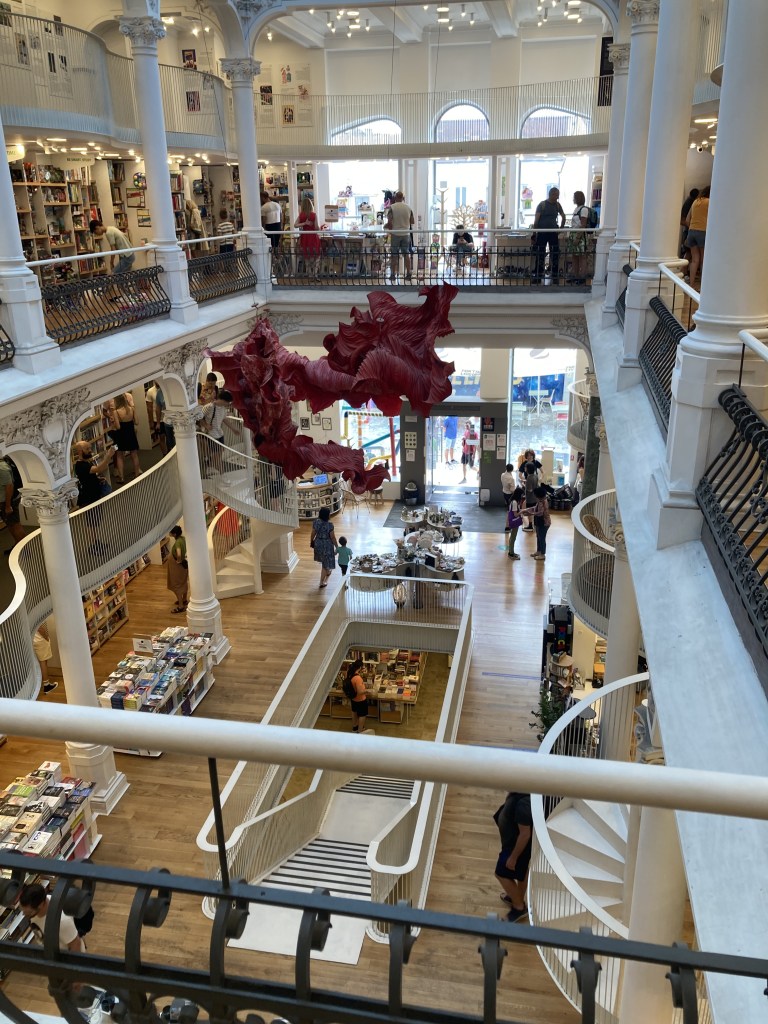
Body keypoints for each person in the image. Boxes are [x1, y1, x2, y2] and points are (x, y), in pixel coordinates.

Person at [493, 792, 533, 920]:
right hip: (513, 842)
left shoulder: (524, 805)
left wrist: (513, 857)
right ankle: (517, 897)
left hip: (516, 847)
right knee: (522, 872)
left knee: (500, 873)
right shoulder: (520, 794)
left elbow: (525, 835)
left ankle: (518, 907)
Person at [19, 882, 85, 952]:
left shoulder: (62, 921)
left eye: (29, 912)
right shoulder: (36, 902)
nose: (24, 914)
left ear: (40, 905)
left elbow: (76, 944)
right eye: (22, 910)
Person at [105, 393, 141, 483]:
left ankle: (121, 477)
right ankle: (137, 474)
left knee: (119, 455)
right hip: (131, 433)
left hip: (120, 435)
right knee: (134, 454)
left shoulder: (116, 412)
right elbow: (137, 422)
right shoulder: (132, 409)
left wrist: (114, 423)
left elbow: (118, 427)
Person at [532, 186, 565, 284]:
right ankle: (538, 275)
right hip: (542, 233)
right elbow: (536, 221)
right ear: (551, 194)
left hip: (553, 233)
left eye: (558, 195)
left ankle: (554, 275)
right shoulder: (542, 205)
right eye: (556, 195)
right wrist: (534, 234)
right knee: (540, 254)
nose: (557, 197)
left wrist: (561, 228)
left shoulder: (557, 205)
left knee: (554, 254)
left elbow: (563, 216)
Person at [73, 440, 115, 508]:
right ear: (80, 451)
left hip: (93, 496)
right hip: (89, 499)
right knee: (94, 514)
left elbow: (87, 477)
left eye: (90, 448)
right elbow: (98, 469)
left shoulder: (86, 462)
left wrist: (97, 479)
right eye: (87, 449)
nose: (90, 450)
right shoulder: (81, 465)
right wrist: (108, 456)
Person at [386, 190, 414, 282]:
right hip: (406, 234)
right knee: (406, 254)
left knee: (394, 255)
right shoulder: (408, 207)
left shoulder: (392, 207)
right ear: (403, 198)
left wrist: (390, 229)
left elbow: (389, 221)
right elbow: (412, 221)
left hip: (396, 233)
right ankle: (408, 274)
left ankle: (393, 275)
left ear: (395, 198)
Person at [684, 185, 710, 286]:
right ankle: (703, 286)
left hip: (691, 231)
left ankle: (691, 284)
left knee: (695, 260)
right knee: (703, 260)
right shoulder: (710, 202)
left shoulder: (695, 201)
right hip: (703, 231)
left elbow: (687, 220)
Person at [0, 455, 25, 547]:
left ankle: (24, 549)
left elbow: (9, 486)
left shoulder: (2, 468)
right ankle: (17, 545)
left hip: (8, 501)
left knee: (15, 525)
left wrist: (8, 506)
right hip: (6, 501)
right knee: (10, 524)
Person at [566, 191, 590, 284]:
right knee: (574, 256)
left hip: (580, 235)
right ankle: (575, 275)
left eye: (574, 197)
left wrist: (577, 238)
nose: (573, 199)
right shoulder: (577, 209)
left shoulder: (584, 210)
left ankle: (582, 277)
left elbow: (583, 225)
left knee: (582, 257)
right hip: (573, 234)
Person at [295, 196, 321, 278]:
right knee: (317, 255)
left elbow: (295, 225)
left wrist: (304, 223)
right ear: (311, 205)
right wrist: (318, 227)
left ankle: (309, 273)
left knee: (307, 255)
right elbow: (317, 228)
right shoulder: (314, 215)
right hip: (313, 236)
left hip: (305, 237)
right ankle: (315, 273)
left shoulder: (301, 215)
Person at [311, 505, 336, 588]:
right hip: (327, 545)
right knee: (325, 563)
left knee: (323, 559)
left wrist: (312, 541)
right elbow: (332, 537)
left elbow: (313, 533)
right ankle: (321, 582)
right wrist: (337, 546)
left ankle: (328, 571)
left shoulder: (316, 522)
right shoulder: (330, 525)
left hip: (318, 543)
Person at [167, 525, 189, 613]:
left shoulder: (177, 543)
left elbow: (179, 553)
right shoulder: (183, 539)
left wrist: (178, 560)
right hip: (183, 565)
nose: (169, 533)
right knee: (183, 582)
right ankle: (184, 600)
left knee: (177, 584)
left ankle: (180, 606)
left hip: (177, 566)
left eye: (171, 532)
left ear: (174, 534)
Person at [526, 485, 551, 560]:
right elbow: (535, 508)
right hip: (539, 522)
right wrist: (528, 509)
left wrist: (530, 513)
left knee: (542, 538)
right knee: (538, 537)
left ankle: (542, 554)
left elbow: (540, 513)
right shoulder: (541, 501)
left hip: (544, 522)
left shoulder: (543, 502)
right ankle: (538, 551)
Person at [518, 449, 541, 531]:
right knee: (531, 509)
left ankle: (530, 526)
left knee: (530, 511)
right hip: (535, 497)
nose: (529, 457)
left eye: (525, 467)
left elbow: (529, 489)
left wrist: (524, 484)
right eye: (528, 455)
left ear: (527, 469)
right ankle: (531, 522)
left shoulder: (529, 478)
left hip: (531, 497)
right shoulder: (535, 476)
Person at [33, 625, 58, 694]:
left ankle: (40, 683)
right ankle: (47, 686)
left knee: (40, 662)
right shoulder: (34, 617)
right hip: (39, 639)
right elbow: (40, 628)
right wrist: (46, 637)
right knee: (43, 662)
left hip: (33, 640)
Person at [345, 658, 368, 733]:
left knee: (354, 712)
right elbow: (360, 692)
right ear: (360, 667)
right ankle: (360, 731)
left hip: (353, 698)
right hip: (360, 699)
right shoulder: (358, 678)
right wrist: (368, 691)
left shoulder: (349, 674)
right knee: (362, 715)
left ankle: (355, 727)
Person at [505, 486, 525, 560]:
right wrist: (522, 511)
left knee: (513, 537)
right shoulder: (514, 502)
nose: (522, 496)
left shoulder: (514, 501)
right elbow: (515, 514)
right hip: (514, 521)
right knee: (513, 537)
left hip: (514, 521)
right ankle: (511, 553)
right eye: (522, 495)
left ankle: (512, 552)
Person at [679, 187, 699, 258]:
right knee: (688, 252)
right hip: (688, 231)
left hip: (689, 231)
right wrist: (693, 226)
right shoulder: (689, 203)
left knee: (689, 252)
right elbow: (682, 221)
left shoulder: (690, 202)